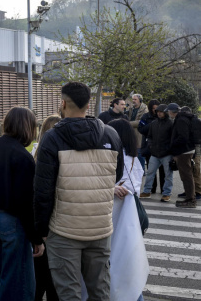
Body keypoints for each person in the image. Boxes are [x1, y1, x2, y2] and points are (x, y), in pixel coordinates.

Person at [34, 82, 121, 301]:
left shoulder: (52, 138)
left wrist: (41, 230)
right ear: (88, 103)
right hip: (100, 229)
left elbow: (43, 190)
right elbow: (115, 176)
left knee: (68, 293)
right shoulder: (110, 135)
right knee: (100, 291)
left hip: (64, 230)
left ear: (62, 104)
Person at [0, 106, 45, 301]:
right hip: (12, 221)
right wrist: (37, 238)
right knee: (17, 279)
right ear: (27, 127)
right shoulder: (23, 157)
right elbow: (25, 204)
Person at [108, 119, 149, 300]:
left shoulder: (114, 157)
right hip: (131, 218)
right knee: (127, 260)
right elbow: (136, 188)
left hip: (114, 216)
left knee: (111, 260)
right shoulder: (134, 159)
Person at [33, 114, 61, 301]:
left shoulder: (36, 152)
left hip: (41, 224)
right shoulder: (61, 153)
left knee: (38, 276)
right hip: (56, 222)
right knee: (54, 278)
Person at [140, 104, 174, 201]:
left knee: (168, 175)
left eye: (161, 111)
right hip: (155, 153)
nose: (159, 113)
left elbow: (173, 138)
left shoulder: (170, 123)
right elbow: (149, 136)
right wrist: (151, 145)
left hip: (166, 153)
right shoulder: (154, 123)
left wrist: (169, 149)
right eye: (157, 111)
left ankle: (167, 193)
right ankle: (147, 191)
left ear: (165, 112)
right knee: (150, 173)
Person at [170, 106, 196, 208]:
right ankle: (190, 198)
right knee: (187, 175)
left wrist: (172, 145)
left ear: (172, 111)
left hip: (184, 151)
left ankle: (191, 200)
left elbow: (183, 137)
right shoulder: (183, 118)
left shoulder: (181, 120)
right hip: (187, 150)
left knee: (186, 176)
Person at [137, 98, 160, 182]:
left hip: (161, 147)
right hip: (149, 146)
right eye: (153, 108)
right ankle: (152, 188)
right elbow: (141, 129)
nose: (155, 110)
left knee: (162, 170)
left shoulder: (162, 116)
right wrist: (152, 125)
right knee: (151, 169)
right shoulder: (146, 117)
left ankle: (164, 190)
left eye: (157, 108)